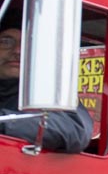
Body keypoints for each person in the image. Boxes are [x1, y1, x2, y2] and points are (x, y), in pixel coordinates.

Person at [0, 12, 93, 153]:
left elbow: (75, 128)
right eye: (6, 42)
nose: (18, 51)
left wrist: (4, 122)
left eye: (27, 43)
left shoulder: (46, 95)